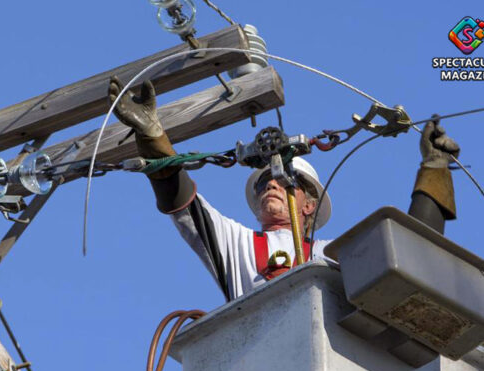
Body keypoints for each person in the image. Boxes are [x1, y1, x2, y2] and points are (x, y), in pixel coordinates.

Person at [108, 77, 460, 302]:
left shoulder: (332, 253)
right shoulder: (240, 246)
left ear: (309, 205)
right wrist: (152, 135)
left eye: (281, 180)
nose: (270, 184)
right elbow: (183, 204)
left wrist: (434, 169)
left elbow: (410, 255)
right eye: (263, 183)